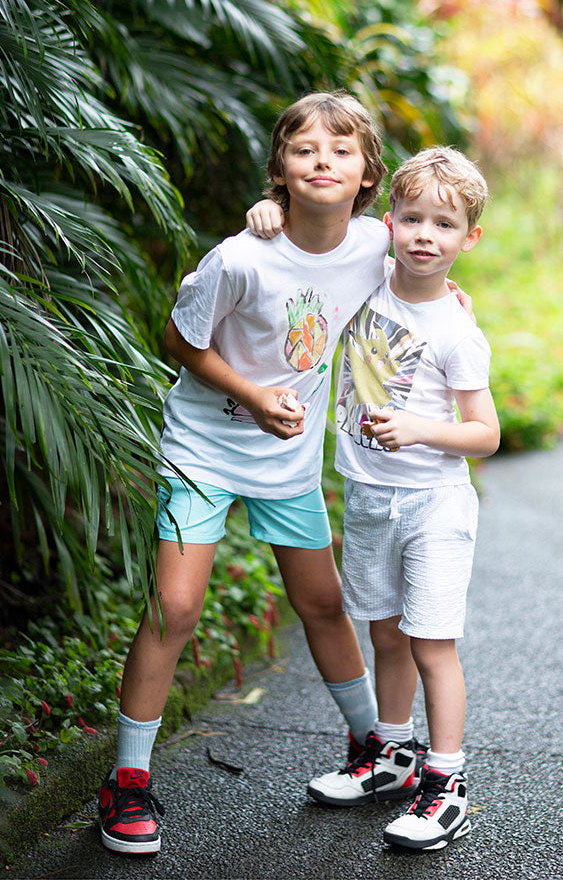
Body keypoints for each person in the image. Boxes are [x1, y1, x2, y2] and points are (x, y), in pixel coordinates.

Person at [99, 91, 392, 855]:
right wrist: (254, 394)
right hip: (203, 446)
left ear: (367, 175)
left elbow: (429, 243)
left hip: (286, 461)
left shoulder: (373, 247)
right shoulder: (240, 256)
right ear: (280, 172)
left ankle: (374, 748)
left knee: (322, 603)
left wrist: (441, 294)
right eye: (304, 150)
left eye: (341, 150)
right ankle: (127, 781)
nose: (322, 160)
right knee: (176, 603)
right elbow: (178, 335)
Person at [247, 147, 500, 851]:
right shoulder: (364, 281)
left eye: (444, 225)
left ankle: (445, 779)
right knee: (384, 632)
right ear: (387, 222)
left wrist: (423, 427)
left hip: (434, 504)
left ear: (468, 239)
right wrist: (269, 213)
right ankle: (391, 754)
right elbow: (307, 249)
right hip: (368, 498)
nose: (425, 234)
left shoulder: (457, 330)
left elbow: (485, 434)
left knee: (431, 641)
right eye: (412, 218)